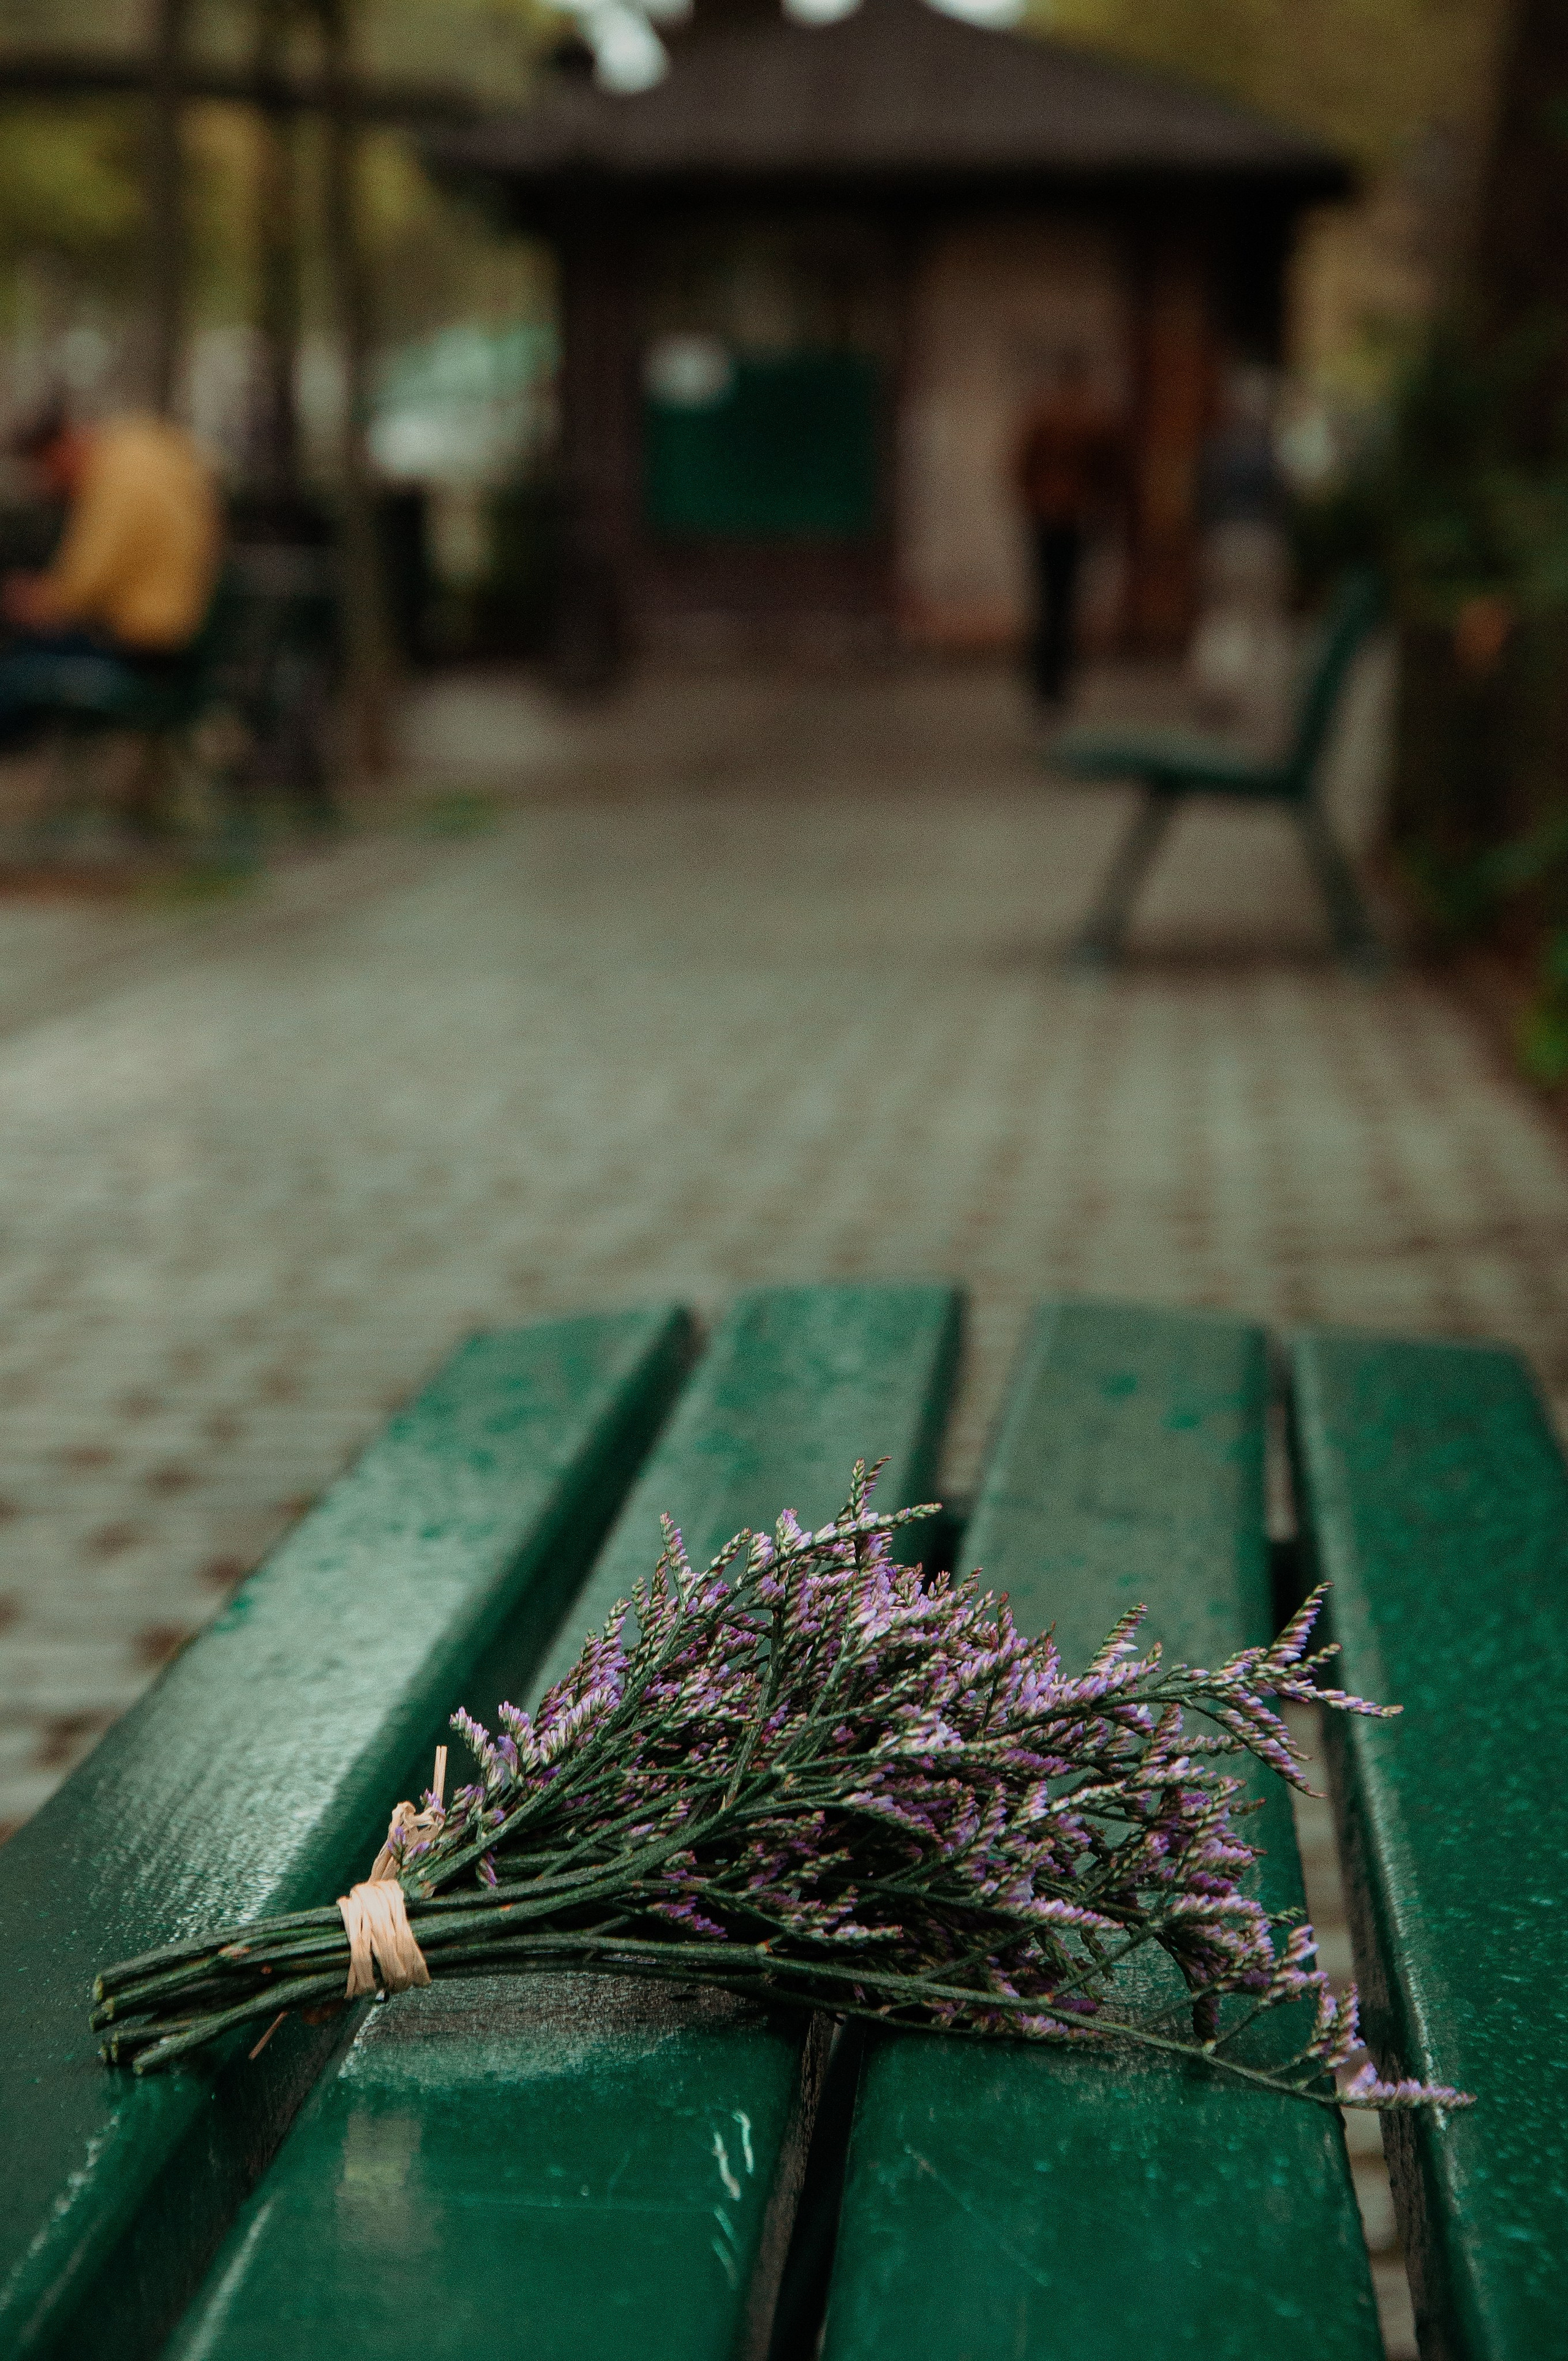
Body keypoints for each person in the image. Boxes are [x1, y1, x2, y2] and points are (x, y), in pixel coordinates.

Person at [0, 399, 221, 745]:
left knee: (13, 674)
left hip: (145, 651)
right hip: (186, 638)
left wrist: (35, 600)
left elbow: (86, 585)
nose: (47, 485)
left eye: (46, 469)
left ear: (64, 446)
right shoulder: (147, 445)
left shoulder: (115, 476)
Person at [1012, 353, 1125, 708]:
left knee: (1048, 601)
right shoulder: (1092, 418)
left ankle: (1045, 683)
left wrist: (1035, 501)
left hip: (1048, 517)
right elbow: (1110, 474)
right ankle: (1057, 683)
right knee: (1066, 602)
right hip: (1074, 517)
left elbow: (1021, 467)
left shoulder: (1044, 415)